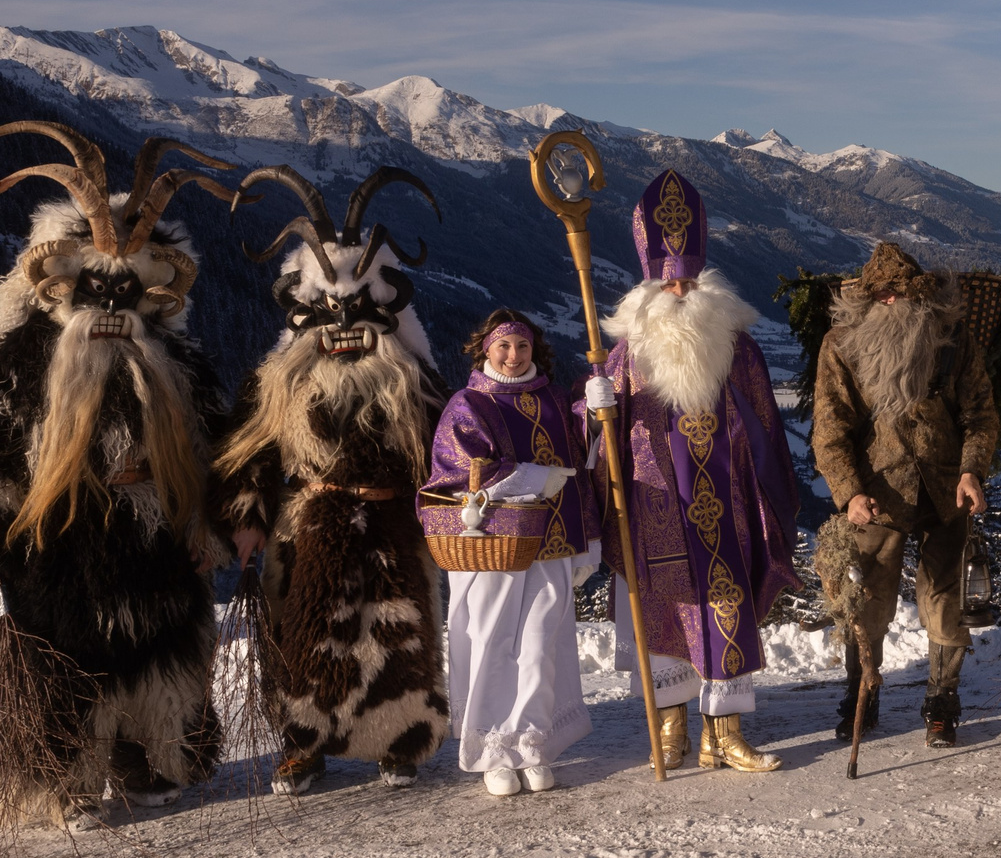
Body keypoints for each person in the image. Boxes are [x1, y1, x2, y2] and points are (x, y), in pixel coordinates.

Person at [0, 123, 235, 828]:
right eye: (94, 287)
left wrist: (215, 526)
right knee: (62, 659)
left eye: (125, 289)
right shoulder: (23, 358)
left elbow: (214, 451)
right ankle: (65, 780)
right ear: (62, 284)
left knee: (159, 655)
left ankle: (148, 760)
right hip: (57, 535)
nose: (109, 303)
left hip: (153, 536)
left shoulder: (176, 364)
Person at [216, 166, 451, 796]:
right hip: (308, 523)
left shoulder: (414, 380)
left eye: (358, 306)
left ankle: (400, 740)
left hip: (393, 522)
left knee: (398, 631)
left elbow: (454, 447)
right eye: (328, 308)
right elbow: (248, 452)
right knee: (302, 633)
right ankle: (303, 745)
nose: (344, 323)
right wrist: (248, 517)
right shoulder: (280, 381)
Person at [588, 169, 803, 772]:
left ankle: (724, 733)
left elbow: (765, 426)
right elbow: (600, 424)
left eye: (688, 282)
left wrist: (766, 489)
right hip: (655, 498)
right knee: (664, 606)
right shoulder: (629, 351)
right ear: (650, 288)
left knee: (724, 601)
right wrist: (595, 405)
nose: (679, 292)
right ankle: (673, 729)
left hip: (723, 497)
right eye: (669, 283)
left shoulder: (737, 345)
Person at [808, 242, 1001, 748]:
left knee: (945, 602)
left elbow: (979, 414)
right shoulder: (843, 344)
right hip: (878, 493)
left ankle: (942, 702)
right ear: (868, 298)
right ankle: (862, 694)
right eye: (883, 295)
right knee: (868, 600)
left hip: (945, 490)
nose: (892, 302)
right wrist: (848, 493)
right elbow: (830, 429)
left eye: (902, 293)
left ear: (920, 295)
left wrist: (971, 472)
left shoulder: (952, 337)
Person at [424, 311, 601, 797]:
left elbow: (583, 463)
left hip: (552, 543)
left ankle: (531, 742)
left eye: (522, 347)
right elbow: (458, 471)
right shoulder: (468, 404)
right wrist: (531, 477)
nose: (513, 356)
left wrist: (594, 412)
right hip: (492, 548)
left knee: (541, 645)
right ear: (485, 349)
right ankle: (492, 752)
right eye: (504, 346)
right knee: (492, 644)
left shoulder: (550, 399)